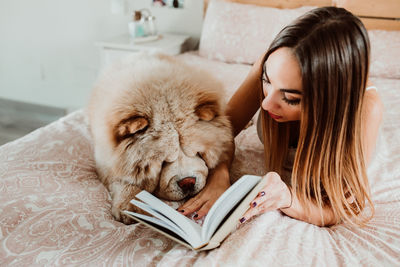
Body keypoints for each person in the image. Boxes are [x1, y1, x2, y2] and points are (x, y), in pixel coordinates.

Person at [178, 6, 383, 226]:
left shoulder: (366, 110)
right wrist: (220, 174)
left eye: (291, 98)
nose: (266, 104)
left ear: (332, 101)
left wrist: (288, 197)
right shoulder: (273, 64)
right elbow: (222, 131)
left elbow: (336, 209)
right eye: (267, 82)